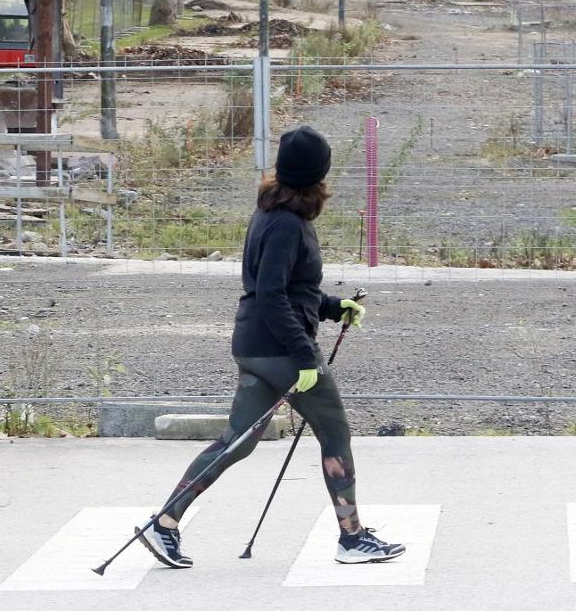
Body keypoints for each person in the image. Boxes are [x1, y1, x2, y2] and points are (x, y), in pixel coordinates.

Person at [139, 126, 404, 569]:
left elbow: (289, 289)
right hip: (281, 351)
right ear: (319, 176)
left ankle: (164, 523)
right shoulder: (286, 225)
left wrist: (334, 307)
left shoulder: (271, 213)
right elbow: (272, 295)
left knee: (237, 442)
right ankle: (352, 539)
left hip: (254, 345)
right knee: (335, 433)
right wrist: (303, 357)